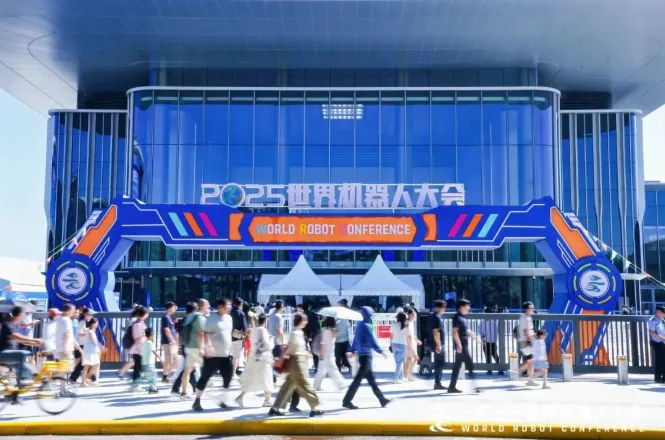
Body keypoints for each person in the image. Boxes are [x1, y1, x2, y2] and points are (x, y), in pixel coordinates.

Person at [268, 313, 324, 417]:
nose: (307, 322)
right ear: (301, 321)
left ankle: (275, 408)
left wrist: (305, 354)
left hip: (298, 361)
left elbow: (296, 348)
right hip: (296, 362)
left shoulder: (299, 333)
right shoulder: (295, 333)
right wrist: (281, 360)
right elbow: (290, 349)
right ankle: (314, 407)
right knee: (304, 384)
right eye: (305, 320)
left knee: (288, 386)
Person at [342, 306, 391, 410]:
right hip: (366, 356)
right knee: (358, 380)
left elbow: (356, 339)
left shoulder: (360, 325)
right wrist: (381, 351)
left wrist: (353, 350)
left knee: (371, 380)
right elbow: (371, 341)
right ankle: (346, 401)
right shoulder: (367, 325)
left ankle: (382, 399)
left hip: (362, 355)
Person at [193, 298, 233, 411]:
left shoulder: (229, 318)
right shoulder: (211, 318)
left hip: (226, 353)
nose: (229, 307)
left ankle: (223, 400)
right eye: (227, 305)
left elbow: (228, 333)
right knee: (205, 377)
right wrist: (207, 346)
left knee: (228, 376)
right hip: (212, 354)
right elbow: (204, 333)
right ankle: (197, 400)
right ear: (220, 307)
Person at [236, 313, 274, 408]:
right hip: (263, 358)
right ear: (265, 321)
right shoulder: (263, 330)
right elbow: (266, 345)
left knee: (250, 378)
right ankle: (267, 400)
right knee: (267, 378)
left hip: (253, 356)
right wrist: (271, 341)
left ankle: (240, 397)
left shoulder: (254, 330)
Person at [0, 306, 42, 391]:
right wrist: (34, 340)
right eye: (22, 315)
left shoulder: (14, 326)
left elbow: (21, 341)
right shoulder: (7, 325)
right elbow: (16, 336)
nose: (23, 317)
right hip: (4, 354)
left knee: (26, 365)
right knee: (23, 354)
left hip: (10, 355)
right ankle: (21, 380)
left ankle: (15, 392)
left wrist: (34, 343)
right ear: (19, 315)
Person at [448, 299, 480, 394]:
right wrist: (459, 345)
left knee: (457, 367)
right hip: (462, 347)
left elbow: (467, 330)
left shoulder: (463, 318)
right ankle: (475, 387)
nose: (468, 308)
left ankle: (451, 387)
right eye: (467, 306)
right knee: (470, 365)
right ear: (461, 307)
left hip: (463, 346)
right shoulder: (457, 317)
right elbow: (454, 332)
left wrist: (476, 338)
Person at [181, 299, 208, 398]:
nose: (209, 307)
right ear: (202, 306)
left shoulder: (191, 316)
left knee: (188, 370)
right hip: (196, 347)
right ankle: (200, 391)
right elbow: (200, 333)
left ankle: (184, 392)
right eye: (207, 305)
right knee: (205, 369)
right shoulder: (200, 318)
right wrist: (201, 348)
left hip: (189, 346)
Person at [171, 302, 199, 395]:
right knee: (189, 369)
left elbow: (179, 334)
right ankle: (192, 388)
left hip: (184, 346)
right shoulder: (192, 321)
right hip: (190, 347)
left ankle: (178, 388)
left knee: (189, 368)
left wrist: (179, 346)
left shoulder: (183, 320)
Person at [313, 317, 346, 391]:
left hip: (326, 354)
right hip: (326, 355)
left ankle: (316, 386)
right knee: (333, 369)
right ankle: (341, 384)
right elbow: (324, 344)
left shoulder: (327, 331)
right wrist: (321, 354)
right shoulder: (327, 332)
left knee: (321, 370)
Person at [70, 308, 94, 383]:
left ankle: (86, 378)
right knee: (83, 362)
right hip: (81, 344)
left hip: (85, 344)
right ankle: (75, 377)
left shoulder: (86, 322)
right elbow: (80, 333)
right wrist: (89, 333)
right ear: (85, 315)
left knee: (84, 362)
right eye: (89, 314)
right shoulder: (82, 323)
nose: (91, 316)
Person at [518, 301, 538, 386]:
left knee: (530, 361)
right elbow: (526, 331)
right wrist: (532, 341)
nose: (533, 309)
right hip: (527, 342)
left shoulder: (525, 317)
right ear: (527, 309)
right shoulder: (525, 318)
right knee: (530, 361)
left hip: (526, 341)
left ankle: (530, 380)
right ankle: (516, 371)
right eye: (531, 308)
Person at [428, 300, 446, 390]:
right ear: (440, 308)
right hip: (438, 344)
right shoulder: (437, 317)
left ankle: (437, 382)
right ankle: (438, 383)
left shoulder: (432, 316)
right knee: (440, 364)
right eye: (444, 307)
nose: (445, 309)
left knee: (439, 363)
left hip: (434, 343)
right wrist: (438, 345)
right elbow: (436, 332)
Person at [129, 307, 149, 391]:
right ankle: (135, 385)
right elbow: (138, 338)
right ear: (144, 314)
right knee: (138, 367)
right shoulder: (138, 324)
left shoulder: (140, 323)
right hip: (138, 349)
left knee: (138, 367)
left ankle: (135, 384)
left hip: (139, 348)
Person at [479, 307, 503, 375]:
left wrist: (482, 337)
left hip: (486, 341)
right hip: (493, 341)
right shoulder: (495, 322)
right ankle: (500, 369)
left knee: (488, 356)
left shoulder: (483, 322)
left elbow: (480, 332)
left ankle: (489, 370)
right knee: (495, 355)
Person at [118, 306, 139, 380]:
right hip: (130, 342)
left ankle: (133, 373)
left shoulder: (133, 319)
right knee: (136, 359)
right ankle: (122, 372)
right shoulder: (135, 320)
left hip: (129, 341)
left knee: (136, 359)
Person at [81, 318, 102, 386]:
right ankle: (83, 382)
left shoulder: (90, 331)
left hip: (91, 351)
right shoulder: (90, 332)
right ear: (93, 324)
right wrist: (102, 347)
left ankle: (86, 380)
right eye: (96, 323)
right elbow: (95, 342)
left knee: (95, 365)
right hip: (90, 352)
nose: (97, 325)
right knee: (88, 366)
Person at [390, 311, 409, 384]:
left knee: (398, 363)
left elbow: (391, 336)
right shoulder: (405, 326)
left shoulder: (393, 325)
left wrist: (390, 344)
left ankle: (401, 377)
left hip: (394, 344)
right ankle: (396, 379)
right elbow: (407, 337)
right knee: (400, 362)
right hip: (402, 345)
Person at [161, 302, 178, 382]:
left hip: (169, 342)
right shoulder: (166, 317)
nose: (175, 309)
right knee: (170, 360)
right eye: (174, 307)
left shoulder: (168, 317)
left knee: (171, 360)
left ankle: (166, 376)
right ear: (170, 307)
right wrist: (172, 340)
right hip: (167, 342)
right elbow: (166, 329)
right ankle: (165, 376)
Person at [230, 297, 247, 377]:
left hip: (227, 336)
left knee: (229, 356)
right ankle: (233, 374)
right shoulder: (241, 314)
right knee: (236, 357)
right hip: (237, 337)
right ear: (241, 304)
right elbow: (244, 327)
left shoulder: (229, 312)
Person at [140, 327, 161, 393]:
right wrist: (160, 358)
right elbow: (154, 352)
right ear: (152, 335)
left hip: (144, 364)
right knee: (154, 376)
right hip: (150, 364)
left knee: (149, 376)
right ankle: (153, 388)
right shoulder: (151, 343)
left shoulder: (144, 343)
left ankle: (151, 388)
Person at [302, 303, 321, 373]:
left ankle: (314, 367)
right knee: (317, 351)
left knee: (307, 351)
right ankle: (319, 367)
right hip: (316, 333)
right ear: (308, 307)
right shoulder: (313, 313)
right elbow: (317, 323)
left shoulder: (303, 315)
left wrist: (306, 336)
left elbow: (305, 326)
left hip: (309, 335)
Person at [334, 299, 352, 373]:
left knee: (338, 354)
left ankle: (339, 367)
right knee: (342, 354)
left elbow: (338, 325)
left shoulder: (340, 314)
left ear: (342, 304)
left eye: (339, 304)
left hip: (339, 338)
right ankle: (346, 366)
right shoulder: (348, 313)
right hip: (345, 338)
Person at [648, 305, 665, 383]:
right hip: (657, 343)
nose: (664, 314)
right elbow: (652, 332)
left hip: (663, 342)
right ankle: (658, 377)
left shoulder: (662, 320)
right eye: (663, 313)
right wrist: (662, 338)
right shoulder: (653, 320)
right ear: (658, 312)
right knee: (659, 360)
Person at [403, 308, 420, 381]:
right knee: (415, 358)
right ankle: (408, 374)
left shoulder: (411, 322)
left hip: (411, 343)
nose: (414, 316)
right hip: (408, 344)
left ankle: (407, 375)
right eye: (413, 315)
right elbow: (407, 335)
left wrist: (416, 340)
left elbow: (412, 334)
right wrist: (409, 345)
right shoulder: (407, 323)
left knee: (409, 359)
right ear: (409, 315)